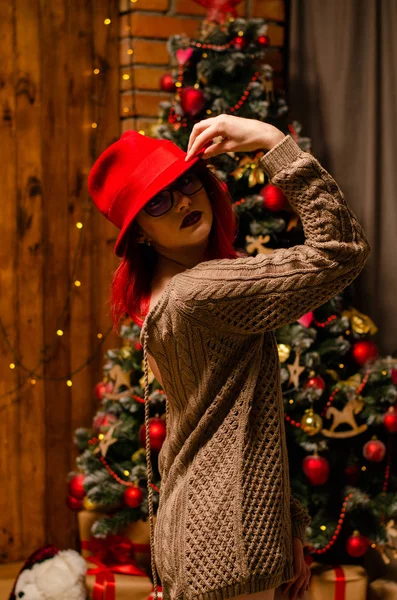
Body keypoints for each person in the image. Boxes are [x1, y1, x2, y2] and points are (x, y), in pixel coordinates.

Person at [87, 115, 371, 600]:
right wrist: (271, 141)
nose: (182, 201)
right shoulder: (200, 293)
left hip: (203, 534)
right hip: (225, 541)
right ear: (140, 235)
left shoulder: (161, 299)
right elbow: (341, 251)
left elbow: (230, 422)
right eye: (158, 201)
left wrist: (289, 530)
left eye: (186, 182)